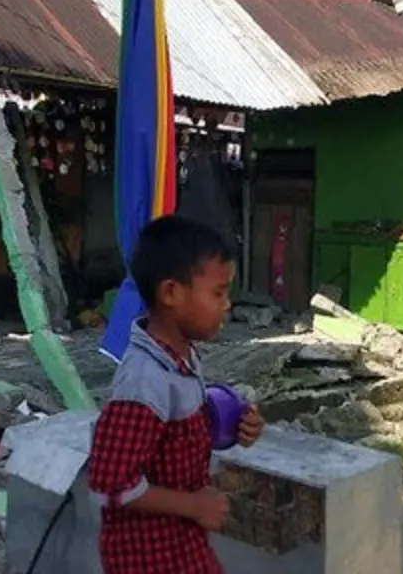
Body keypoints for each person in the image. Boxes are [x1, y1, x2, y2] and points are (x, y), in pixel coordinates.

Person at [87, 215, 266, 574]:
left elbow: (181, 432)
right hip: (147, 556)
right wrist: (195, 506)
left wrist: (236, 425)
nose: (227, 304)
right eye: (218, 292)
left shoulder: (182, 357)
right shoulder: (144, 383)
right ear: (171, 293)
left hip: (182, 543)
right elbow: (108, 487)